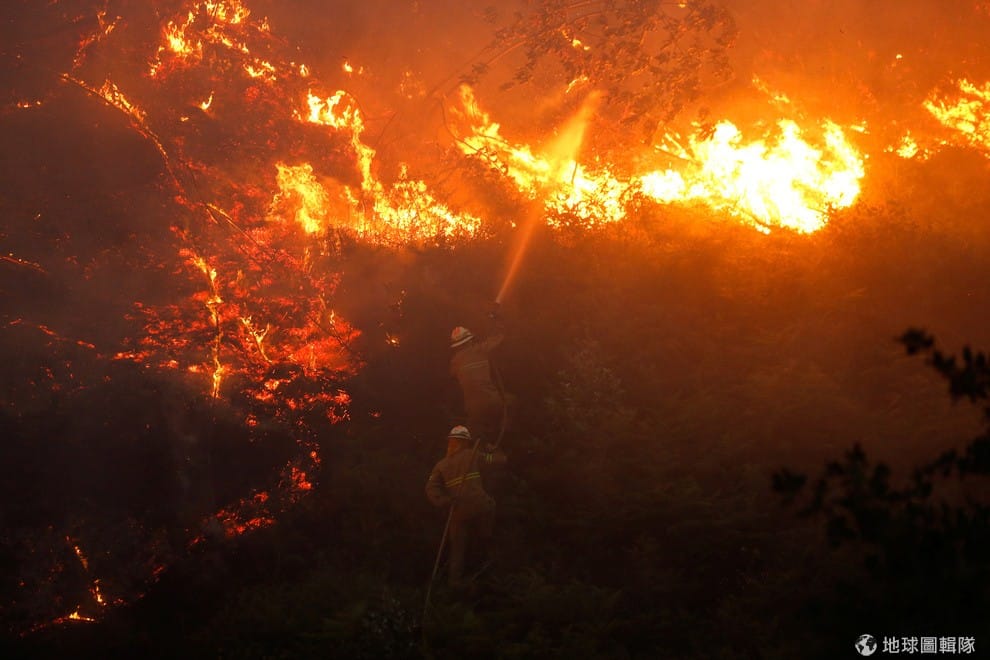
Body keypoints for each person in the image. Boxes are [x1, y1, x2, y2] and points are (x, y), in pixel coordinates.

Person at [425, 425, 506, 586]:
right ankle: (487, 550)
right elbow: (499, 460)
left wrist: (444, 500)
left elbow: (430, 488)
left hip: (457, 511)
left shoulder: (441, 465)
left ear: (452, 442)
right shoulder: (472, 454)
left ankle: (454, 584)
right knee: (490, 509)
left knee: (457, 549)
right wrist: (495, 450)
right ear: (465, 442)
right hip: (480, 506)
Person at [449, 325, 507, 443]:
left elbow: (453, 375)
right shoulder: (481, 349)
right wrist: (495, 323)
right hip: (493, 402)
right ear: (469, 340)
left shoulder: (455, 362)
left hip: (473, 409)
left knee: (474, 438)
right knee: (510, 405)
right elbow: (500, 337)